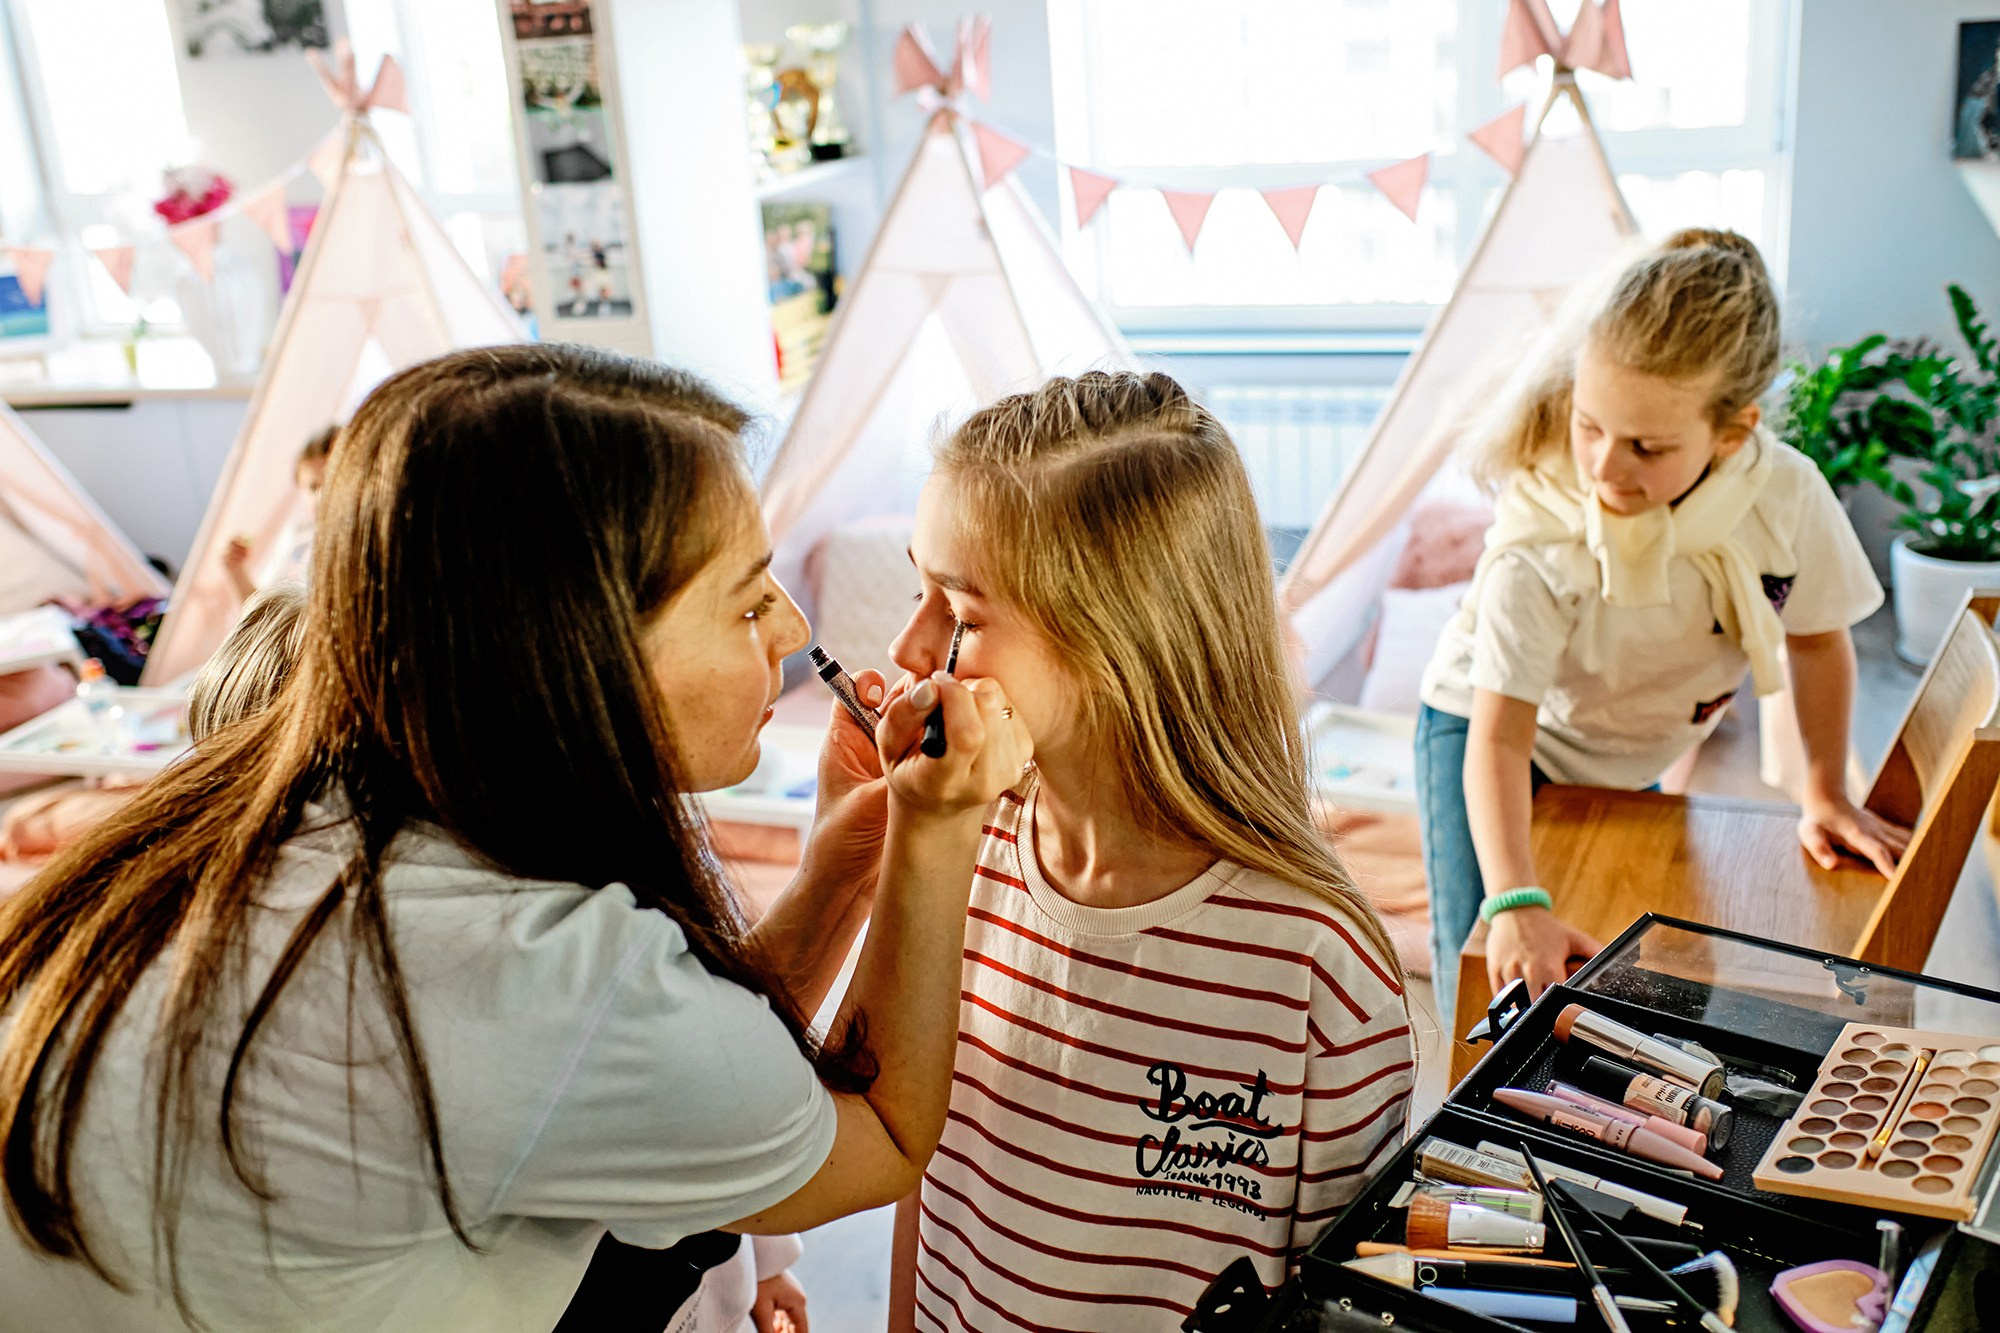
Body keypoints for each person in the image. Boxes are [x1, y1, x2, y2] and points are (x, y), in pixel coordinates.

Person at [0, 344, 1032, 1332]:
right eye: (749, 598)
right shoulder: (531, 971)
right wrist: (933, 835)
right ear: (582, 650)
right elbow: (878, 1136)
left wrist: (844, 867)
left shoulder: (322, 799)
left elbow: (688, 1067)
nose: (796, 631)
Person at [883, 372, 1415, 1331]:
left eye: (960, 614)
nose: (908, 647)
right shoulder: (956, 853)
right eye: (915, 589)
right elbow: (909, 1164)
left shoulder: (1319, 971)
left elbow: (1337, 1300)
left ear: (1118, 638)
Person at [1415, 228, 1904, 1018]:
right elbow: (1499, 738)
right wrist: (1514, 900)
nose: (1607, 466)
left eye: (1647, 445)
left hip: (1631, 739)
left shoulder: (1787, 497)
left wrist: (1824, 790)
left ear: (1734, 434)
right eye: (1589, 426)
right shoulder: (1547, 538)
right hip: (1492, 734)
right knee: (1499, 980)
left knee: (1620, 972)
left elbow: (1817, 640)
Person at [220, 426, 338, 601]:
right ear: (300, 492)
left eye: (333, 482)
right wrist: (236, 571)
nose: (322, 495)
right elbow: (267, 610)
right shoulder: (297, 536)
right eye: (314, 487)